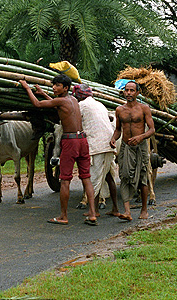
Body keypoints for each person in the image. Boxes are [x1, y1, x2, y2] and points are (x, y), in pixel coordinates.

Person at [19, 74, 97, 225]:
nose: (54, 87)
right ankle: (93, 214)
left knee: (65, 180)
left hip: (70, 142)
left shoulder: (61, 101)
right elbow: (57, 104)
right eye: (53, 85)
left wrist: (27, 87)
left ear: (65, 88)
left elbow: (37, 104)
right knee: (86, 177)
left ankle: (63, 216)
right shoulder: (73, 100)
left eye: (57, 85)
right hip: (82, 140)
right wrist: (44, 93)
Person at [73, 83, 120, 218]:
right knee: (108, 176)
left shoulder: (81, 106)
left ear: (78, 95)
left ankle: (93, 212)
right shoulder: (100, 104)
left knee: (93, 179)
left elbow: (76, 124)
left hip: (95, 147)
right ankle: (115, 208)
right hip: (109, 145)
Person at [111, 81, 155, 221]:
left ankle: (144, 210)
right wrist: (113, 138)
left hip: (140, 147)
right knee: (124, 176)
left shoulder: (144, 109)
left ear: (137, 93)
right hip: (126, 146)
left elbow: (152, 129)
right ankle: (127, 212)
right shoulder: (119, 110)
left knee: (142, 177)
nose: (129, 93)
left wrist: (140, 137)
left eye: (131, 90)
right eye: (126, 90)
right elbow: (118, 130)